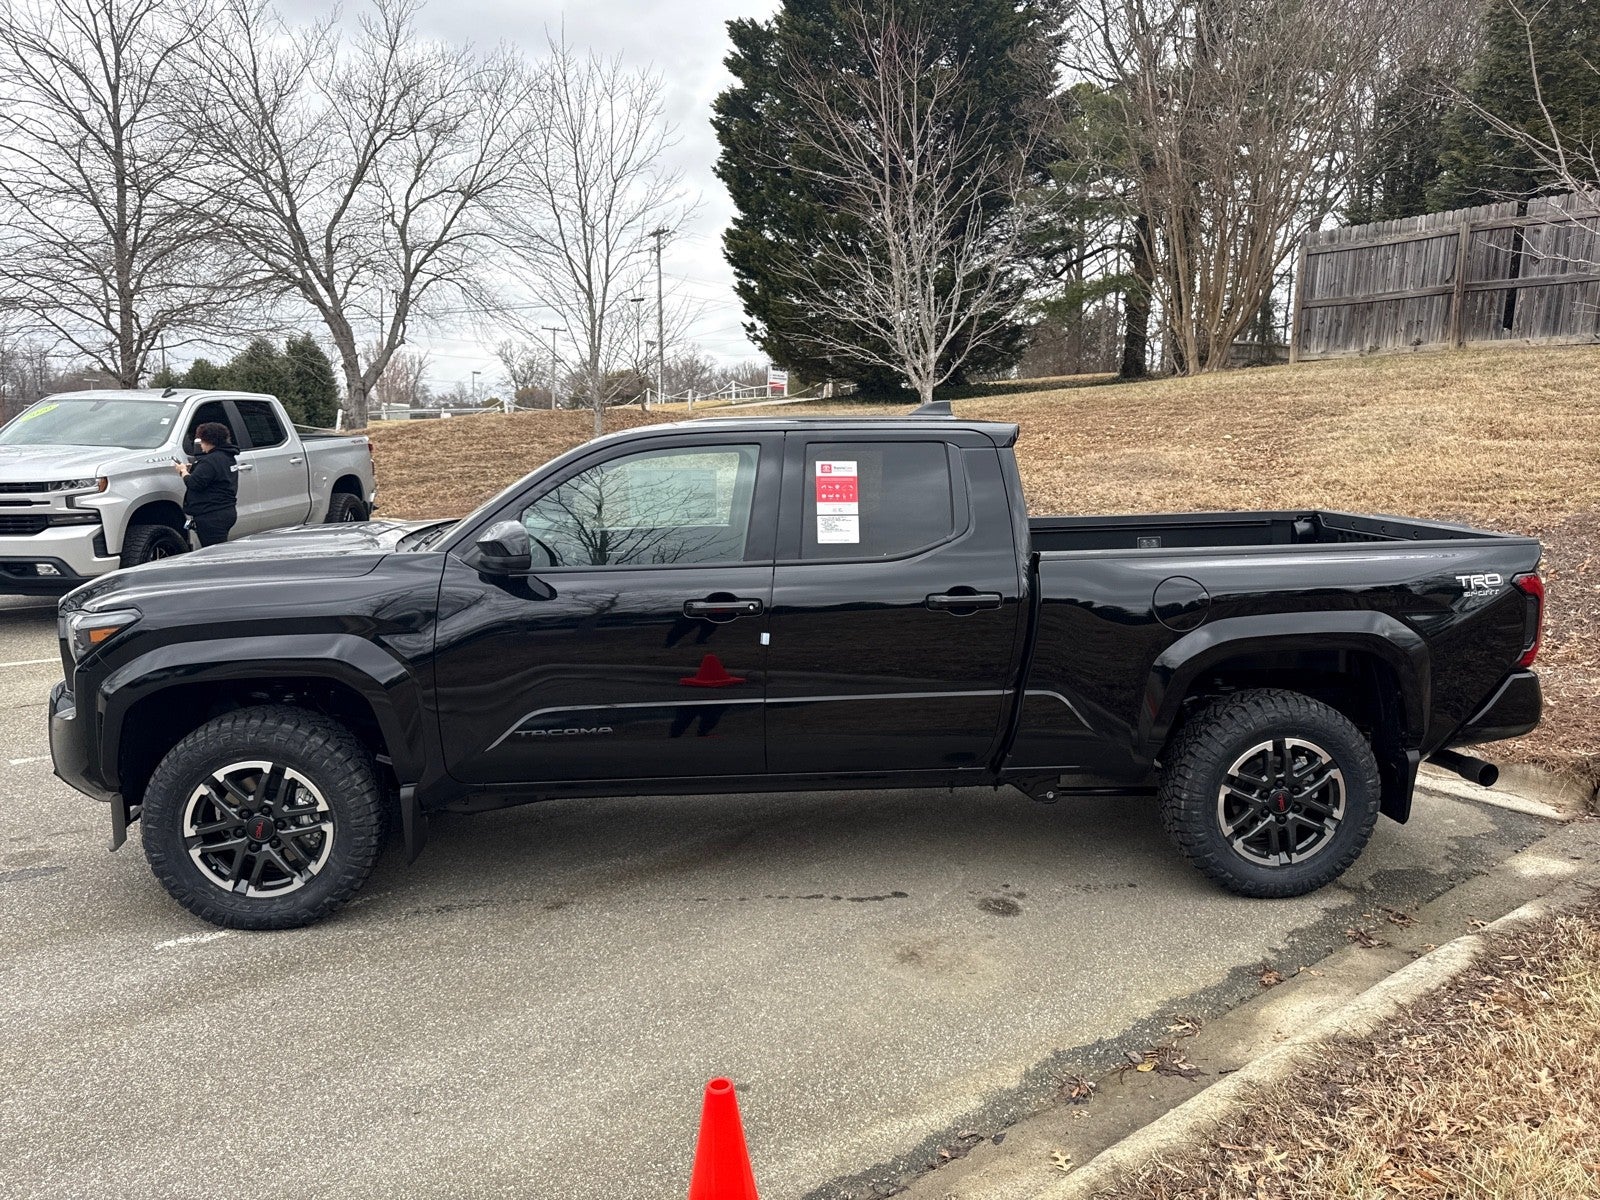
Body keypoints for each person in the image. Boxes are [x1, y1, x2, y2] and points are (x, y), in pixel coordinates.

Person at [175, 421, 240, 547]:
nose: (200, 445)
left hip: (211, 515)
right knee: (220, 547)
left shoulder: (210, 460)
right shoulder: (227, 456)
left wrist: (183, 471)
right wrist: (195, 469)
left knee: (214, 552)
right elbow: (213, 476)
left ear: (208, 440)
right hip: (226, 511)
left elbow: (194, 483)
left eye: (201, 441)